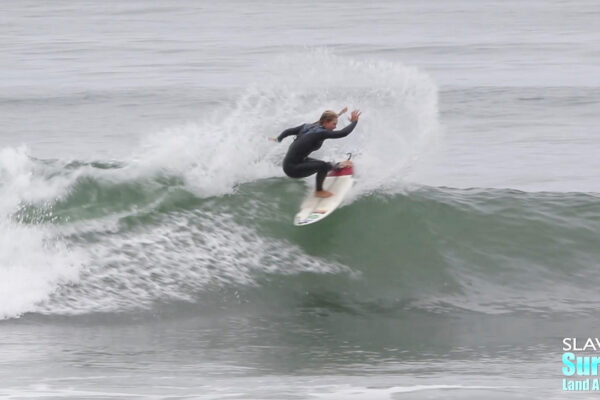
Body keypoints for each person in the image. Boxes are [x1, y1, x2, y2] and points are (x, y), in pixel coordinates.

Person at [271, 107, 361, 198]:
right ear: (325, 122)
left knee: (324, 165)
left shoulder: (307, 126)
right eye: (334, 124)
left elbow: (288, 131)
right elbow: (343, 133)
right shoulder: (321, 133)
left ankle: (338, 166)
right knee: (322, 166)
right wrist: (354, 122)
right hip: (292, 169)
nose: (335, 127)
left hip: (294, 162)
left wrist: (279, 139)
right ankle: (319, 191)